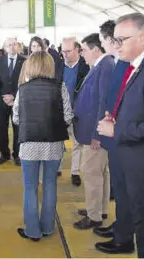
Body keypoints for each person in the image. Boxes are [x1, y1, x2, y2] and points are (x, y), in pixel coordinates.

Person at [97, 12, 144, 258]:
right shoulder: (135, 66)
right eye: (114, 40)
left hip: (141, 160)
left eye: (121, 40)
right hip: (133, 155)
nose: (116, 46)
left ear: (142, 38)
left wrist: (117, 129)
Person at [13, 51, 73, 241]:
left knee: (30, 187)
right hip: (53, 144)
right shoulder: (60, 87)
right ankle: (48, 227)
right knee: (50, 185)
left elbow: (15, 118)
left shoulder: (22, 89)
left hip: (29, 144)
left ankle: (32, 230)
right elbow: (68, 116)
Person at [93, 19, 134, 255]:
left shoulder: (126, 64)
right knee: (120, 188)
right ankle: (121, 227)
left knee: (124, 189)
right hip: (115, 134)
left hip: (123, 137)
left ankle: (124, 238)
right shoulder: (120, 63)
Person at [73, 33, 114, 230]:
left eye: (84, 50)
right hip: (92, 129)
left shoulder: (105, 66)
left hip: (94, 132)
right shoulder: (99, 66)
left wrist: (97, 134)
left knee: (91, 172)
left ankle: (94, 216)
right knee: (101, 172)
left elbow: (103, 102)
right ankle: (99, 208)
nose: (82, 54)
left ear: (97, 49)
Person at [57, 37, 90, 186]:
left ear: (77, 50)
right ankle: (56, 168)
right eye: (63, 51)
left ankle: (75, 172)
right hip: (60, 111)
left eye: (68, 51)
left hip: (79, 112)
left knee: (77, 143)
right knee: (58, 142)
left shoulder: (86, 67)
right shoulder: (58, 66)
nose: (65, 54)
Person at [0, 37, 26, 166]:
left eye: (14, 44)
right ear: (5, 47)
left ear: (18, 46)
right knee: (1, 127)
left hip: (18, 100)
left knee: (18, 128)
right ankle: (4, 153)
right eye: (9, 45)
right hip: (1, 101)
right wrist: (2, 96)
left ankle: (17, 154)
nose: (12, 47)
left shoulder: (24, 61)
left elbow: (24, 81)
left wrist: (13, 96)